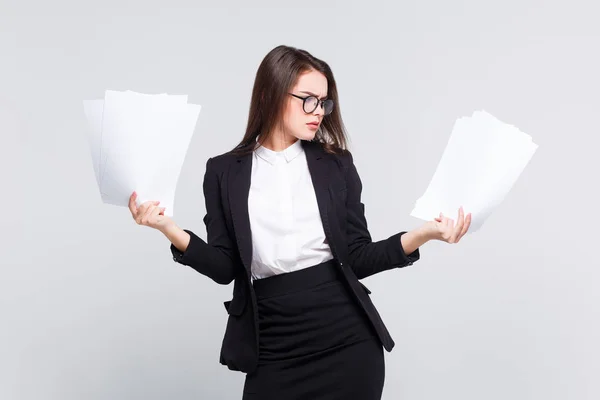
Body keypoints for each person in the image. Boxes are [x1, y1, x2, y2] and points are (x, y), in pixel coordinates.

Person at [128, 45, 471, 400]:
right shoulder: (223, 171)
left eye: (324, 102)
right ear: (270, 94)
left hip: (347, 341)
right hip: (272, 343)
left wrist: (423, 234)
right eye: (308, 99)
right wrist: (169, 228)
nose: (318, 112)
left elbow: (356, 257)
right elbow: (225, 267)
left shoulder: (336, 164)